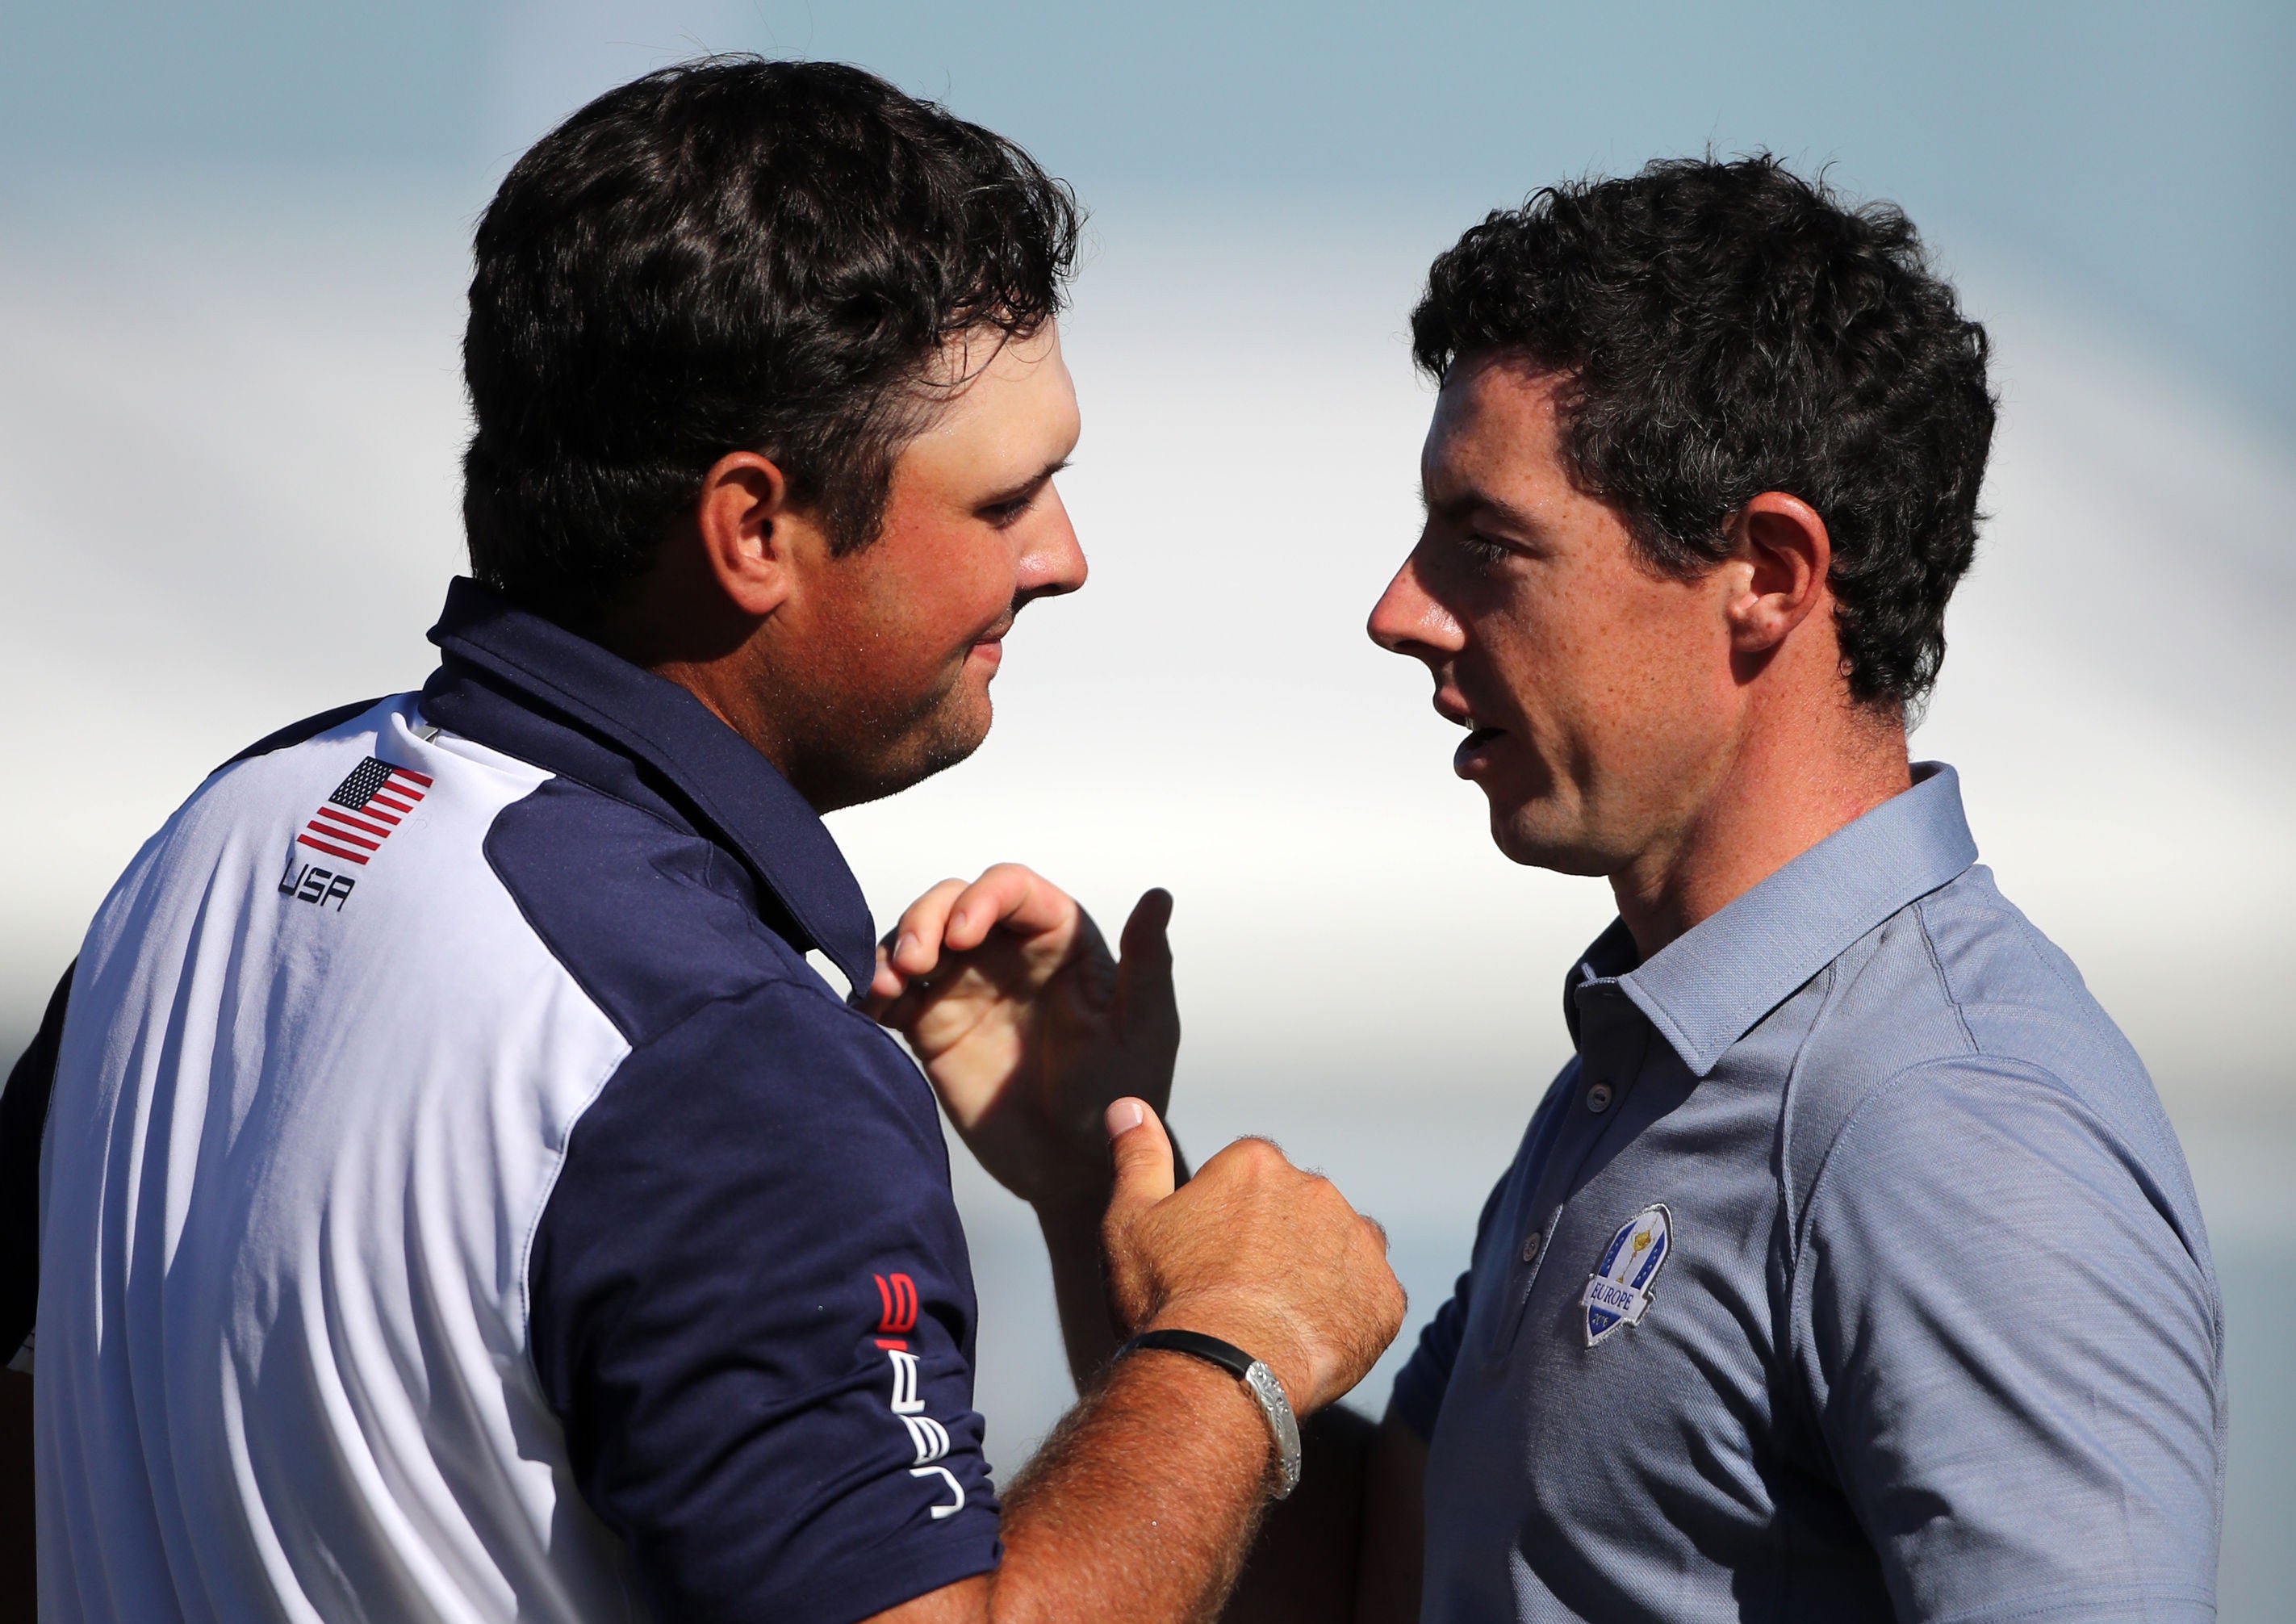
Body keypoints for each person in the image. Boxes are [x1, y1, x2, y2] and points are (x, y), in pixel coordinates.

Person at [0, 58, 1404, 1623]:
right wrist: (1232, 1343)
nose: (1062, 559)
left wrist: (1086, 1181)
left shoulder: (217, 839)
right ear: (751, 530)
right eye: (1010, 497)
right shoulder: (716, 1056)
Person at [873, 157, 2226, 1622]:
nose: (1399, 609)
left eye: (1490, 541)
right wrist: (1100, 1185)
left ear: (1766, 573)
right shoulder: (1659, 1062)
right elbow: (1382, 1581)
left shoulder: (1953, 1118)